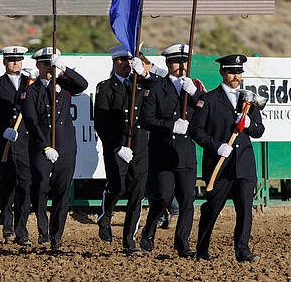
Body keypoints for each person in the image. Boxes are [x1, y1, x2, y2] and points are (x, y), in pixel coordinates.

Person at [189, 54, 265, 262]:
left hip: (244, 164)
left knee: (245, 210)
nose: (236, 76)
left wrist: (249, 123)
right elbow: (195, 130)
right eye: (231, 72)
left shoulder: (248, 99)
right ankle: (202, 250)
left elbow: (259, 130)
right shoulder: (209, 99)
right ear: (222, 72)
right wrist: (216, 146)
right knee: (212, 208)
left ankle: (243, 250)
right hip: (219, 167)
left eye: (239, 72)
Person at [139, 43, 204, 258]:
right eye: (176, 61)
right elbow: (146, 119)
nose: (181, 66)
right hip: (163, 151)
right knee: (163, 197)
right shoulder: (157, 87)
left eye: (184, 61)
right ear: (168, 64)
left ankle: (182, 243)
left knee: (187, 200)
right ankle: (149, 230)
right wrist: (170, 125)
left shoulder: (195, 87)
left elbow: (206, 111)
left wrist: (194, 95)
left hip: (185, 151)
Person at [94, 45, 159, 255]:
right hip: (117, 146)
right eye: (121, 61)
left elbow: (162, 88)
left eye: (129, 61)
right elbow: (102, 123)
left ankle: (129, 240)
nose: (126, 65)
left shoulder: (141, 84)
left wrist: (144, 73)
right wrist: (117, 147)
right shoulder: (105, 87)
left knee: (137, 193)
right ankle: (106, 215)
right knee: (117, 186)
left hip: (140, 145)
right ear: (114, 62)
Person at [21, 47, 88, 251]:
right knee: (40, 187)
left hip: (66, 148)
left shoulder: (65, 85)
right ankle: (43, 230)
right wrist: (46, 146)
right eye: (46, 64)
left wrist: (64, 68)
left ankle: (56, 235)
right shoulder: (30, 92)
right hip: (42, 148)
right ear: (38, 65)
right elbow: (32, 122)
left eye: (52, 64)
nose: (49, 68)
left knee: (62, 192)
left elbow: (82, 84)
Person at [0, 46, 33, 245]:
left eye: (18, 59)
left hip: (25, 143)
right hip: (4, 143)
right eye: (11, 60)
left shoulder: (29, 84)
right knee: (8, 183)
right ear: (4, 62)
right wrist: (1, 130)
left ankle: (22, 230)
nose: (15, 63)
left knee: (25, 186)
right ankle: (7, 225)